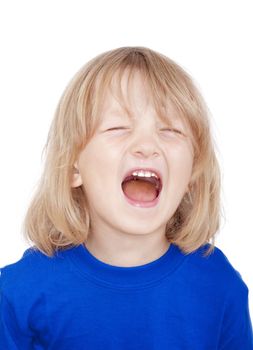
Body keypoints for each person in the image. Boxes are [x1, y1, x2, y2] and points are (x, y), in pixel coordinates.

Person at [0, 46, 252, 349]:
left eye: (170, 130)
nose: (147, 146)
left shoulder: (219, 286)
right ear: (72, 168)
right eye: (118, 127)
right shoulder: (20, 293)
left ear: (192, 176)